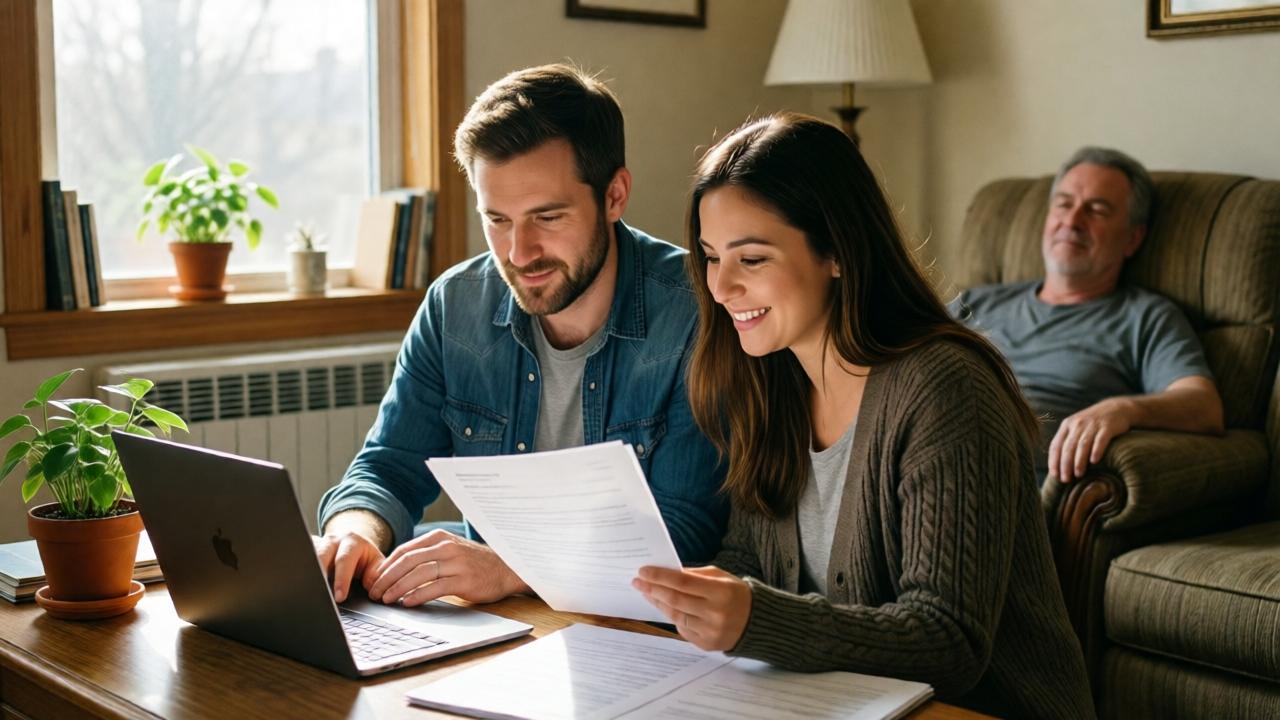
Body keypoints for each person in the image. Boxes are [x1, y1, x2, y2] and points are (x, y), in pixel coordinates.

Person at [631, 113, 1095, 719]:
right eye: (712, 257)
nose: (719, 288)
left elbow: (949, 642)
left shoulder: (944, 389)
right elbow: (748, 562)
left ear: (838, 254)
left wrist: (756, 618)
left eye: (751, 259)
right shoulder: (772, 382)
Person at [315, 64, 727, 608]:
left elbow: (685, 533)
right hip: (502, 625)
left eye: (547, 217)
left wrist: (512, 567)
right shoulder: (454, 306)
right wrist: (355, 533)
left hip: (634, 632)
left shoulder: (696, 311)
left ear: (614, 195)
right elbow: (388, 465)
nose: (519, 252)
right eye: (498, 220)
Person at [951, 147, 1223, 482]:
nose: (1072, 221)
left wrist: (1124, 409)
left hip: (1003, 484)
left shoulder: (1145, 317)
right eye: (1064, 204)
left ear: (1132, 239)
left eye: (1096, 210)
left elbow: (1204, 406)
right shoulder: (974, 303)